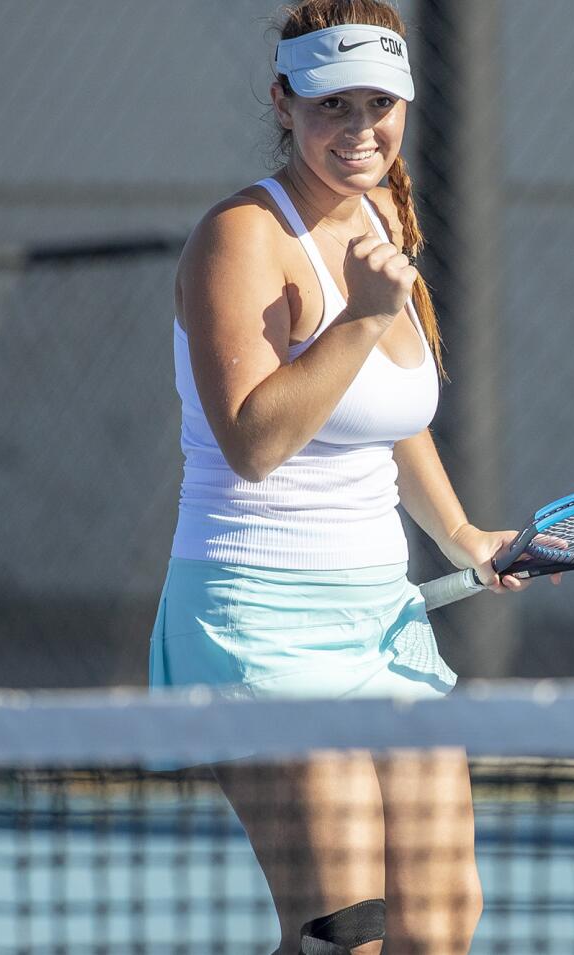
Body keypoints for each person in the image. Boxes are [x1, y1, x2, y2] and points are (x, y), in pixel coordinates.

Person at [148, 2, 516, 951]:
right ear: (282, 99)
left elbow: (387, 417)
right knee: (346, 931)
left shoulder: (388, 213)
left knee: (440, 922)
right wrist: (357, 316)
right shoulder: (241, 237)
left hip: (381, 622)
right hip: (255, 621)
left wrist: (463, 535)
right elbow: (255, 442)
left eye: (379, 105)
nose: (360, 132)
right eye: (331, 106)